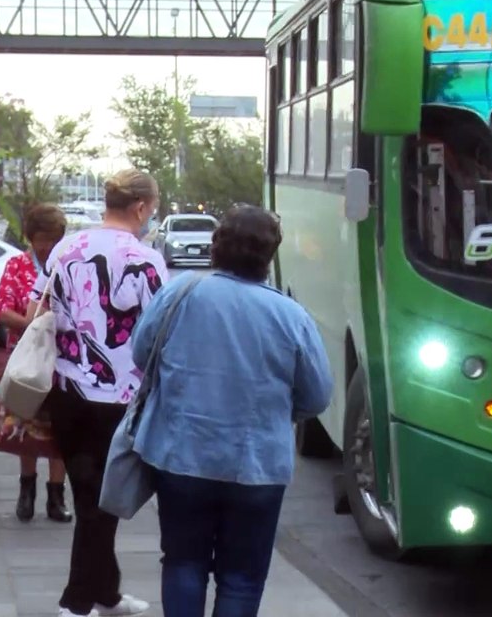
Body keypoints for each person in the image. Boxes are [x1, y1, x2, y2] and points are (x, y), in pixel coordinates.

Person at [130, 205, 332, 617]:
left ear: (215, 247)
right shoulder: (290, 315)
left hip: (181, 457)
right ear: (268, 255)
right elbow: (317, 396)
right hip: (257, 467)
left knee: (184, 562)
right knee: (242, 578)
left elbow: (141, 353)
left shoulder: (180, 293)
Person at [30, 169, 166, 617]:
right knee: (99, 503)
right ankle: (76, 602)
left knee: (91, 496)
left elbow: (37, 308)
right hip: (119, 400)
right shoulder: (145, 258)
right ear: (142, 207)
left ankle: (106, 592)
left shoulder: (67, 247)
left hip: (66, 392)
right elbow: (160, 329)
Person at [0, 203, 72, 523]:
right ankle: (27, 493)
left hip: (61, 362)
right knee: (24, 427)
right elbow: (2, 309)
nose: (46, 245)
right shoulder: (17, 265)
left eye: (52, 239)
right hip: (25, 360)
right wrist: (34, 324)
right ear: (30, 237)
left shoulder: (67, 266)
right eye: (41, 239)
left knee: (58, 432)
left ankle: (56, 496)